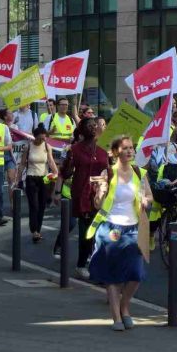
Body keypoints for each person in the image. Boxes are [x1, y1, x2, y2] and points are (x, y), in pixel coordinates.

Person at [88, 135, 153, 330]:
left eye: (131, 148)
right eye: (125, 148)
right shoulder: (108, 173)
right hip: (111, 228)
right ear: (116, 152)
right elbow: (97, 205)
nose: (130, 151)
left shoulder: (139, 172)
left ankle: (125, 306)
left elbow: (149, 196)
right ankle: (117, 317)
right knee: (113, 275)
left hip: (133, 228)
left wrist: (145, 200)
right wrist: (101, 192)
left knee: (136, 273)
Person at [60, 117, 110, 278]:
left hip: (101, 193)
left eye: (95, 125)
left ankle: (97, 262)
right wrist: (68, 160)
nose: (93, 128)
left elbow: (109, 170)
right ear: (82, 130)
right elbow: (66, 173)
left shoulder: (103, 149)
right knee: (87, 231)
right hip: (83, 194)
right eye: (89, 126)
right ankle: (81, 264)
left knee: (102, 231)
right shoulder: (75, 149)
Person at [21, 124, 58, 243]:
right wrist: (17, 179)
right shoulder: (28, 147)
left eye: (44, 138)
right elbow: (22, 164)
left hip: (44, 178)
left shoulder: (47, 146)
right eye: (41, 138)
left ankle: (38, 230)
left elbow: (51, 161)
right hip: (31, 177)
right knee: (34, 205)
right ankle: (34, 231)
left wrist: (56, 172)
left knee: (42, 205)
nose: (43, 140)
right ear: (35, 137)